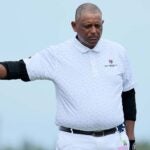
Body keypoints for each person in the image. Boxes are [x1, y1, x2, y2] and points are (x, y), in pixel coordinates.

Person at [0, 3, 136, 150]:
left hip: (115, 140)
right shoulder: (58, 54)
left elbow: (128, 95)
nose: (94, 31)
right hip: (74, 141)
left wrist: (130, 137)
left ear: (103, 23)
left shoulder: (118, 52)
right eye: (87, 26)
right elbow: (19, 69)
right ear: (74, 26)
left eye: (98, 26)